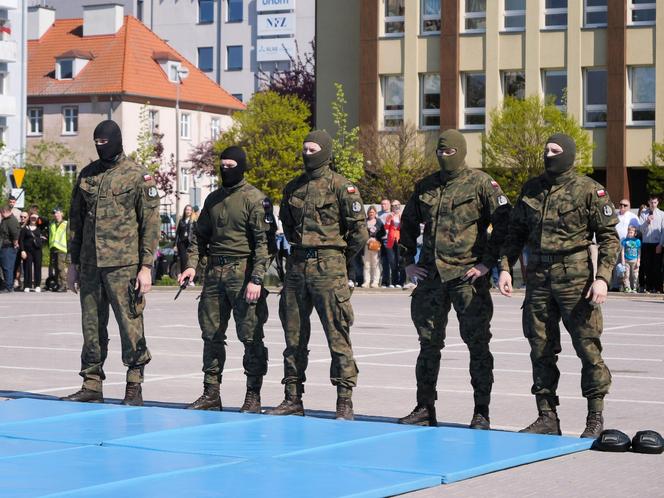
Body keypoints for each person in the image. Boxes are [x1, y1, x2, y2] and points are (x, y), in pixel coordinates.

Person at [497, 133, 618, 439]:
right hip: (538, 278)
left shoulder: (589, 190)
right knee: (540, 348)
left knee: (587, 347)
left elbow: (608, 238)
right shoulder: (532, 189)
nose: (548, 154)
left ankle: (595, 416)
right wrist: (505, 268)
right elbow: (515, 233)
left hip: (575, 279)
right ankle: (547, 416)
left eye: (555, 150)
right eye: (546, 149)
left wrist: (602, 277)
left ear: (568, 154)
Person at [397, 129, 511, 430]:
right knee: (428, 344)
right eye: (440, 152)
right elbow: (407, 223)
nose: (444, 157)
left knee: (477, 345)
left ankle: (481, 411)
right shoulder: (426, 186)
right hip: (432, 277)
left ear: (460, 151)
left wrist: (490, 264)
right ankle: (424, 408)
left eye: (449, 152)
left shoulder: (481, 184)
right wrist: (407, 262)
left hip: (466, 277)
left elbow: (504, 224)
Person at [268, 130, 368, 420]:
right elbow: (287, 225)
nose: (307, 154)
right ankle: (292, 397)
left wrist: (338, 259)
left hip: (329, 268)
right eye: (305, 148)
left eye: (313, 149)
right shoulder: (293, 188)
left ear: (324, 152)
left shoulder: (342, 187)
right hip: (298, 267)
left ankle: (344, 399)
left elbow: (359, 233)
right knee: (293, 337)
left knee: (337, 335)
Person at [61, 119, 160, 406]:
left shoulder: (137, 177)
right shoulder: (87, 175)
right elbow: (75, 223)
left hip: (124, 266)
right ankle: (91, 382)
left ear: (116, 140)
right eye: (97, 143)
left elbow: (150, 225)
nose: (100, 147)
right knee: (91, 326)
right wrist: (73, 263)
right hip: (91, 265)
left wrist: (146, 267)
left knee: (130, 325)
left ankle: (134, 383)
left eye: (105, 142)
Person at [178, 146, 276, 413]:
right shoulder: (213, 199)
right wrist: (191, 266)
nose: (226, 170)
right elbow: (198, 238)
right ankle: (211, 392)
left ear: (242, 166)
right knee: (211, 335)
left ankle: (253, 395)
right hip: (214, 276)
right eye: (223, 165)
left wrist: (256, 278)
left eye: (231, 165)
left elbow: (264, 245)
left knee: (250, 336)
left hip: (242, 274)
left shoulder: (255, 199)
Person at [637, 195, 663, 293]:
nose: (653, 205)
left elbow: (663, 231)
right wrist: (647, 221)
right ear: (648, 202)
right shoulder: (644, 214)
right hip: (646, 243)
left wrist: (660, 244)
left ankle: (658, 287)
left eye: (655, 202)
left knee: (657, 267)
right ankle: (649, 287)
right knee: (647, 266)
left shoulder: (662, 214)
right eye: (651, 202)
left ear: (657, 203)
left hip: (657, 244)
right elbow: (641, 230)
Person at [19, 213, 46, 292]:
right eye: (32, 218)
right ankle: (27, 285)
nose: (33, 220)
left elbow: (46, 221)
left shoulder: (40, 227)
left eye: (35, 218)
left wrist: (38, 216)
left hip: (37, 250)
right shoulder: (25, 228)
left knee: (37, 267)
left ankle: (37, 285)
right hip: (27, 251)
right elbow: (21, 240)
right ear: (29, 219)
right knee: (27, 267)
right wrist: (22, 250)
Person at [362, 206, 385, 288]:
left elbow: (383, 233)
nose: (371, 214)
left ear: (375, 213)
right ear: (368, 213)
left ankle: (375, 282)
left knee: (375, 264)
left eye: (373, 212)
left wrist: (376, 238)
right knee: (366, 264)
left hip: (375, 245)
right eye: (370, 212)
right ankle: (366, 281)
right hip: (366, 245)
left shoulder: (379, 222)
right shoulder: (364, 221)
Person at [0, 205, 20, 292]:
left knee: (7, 267)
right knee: (6, 267)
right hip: (4, 247)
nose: (0, 214)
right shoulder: (5, 220)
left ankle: (8, 286)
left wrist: (15, 243)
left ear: (4, 211)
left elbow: (15, 234)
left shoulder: (11, 220)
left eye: (1, 212)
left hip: (9, 247)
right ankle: (8, 285)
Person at [48, 207, 68, 292]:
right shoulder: (52, 224)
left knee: (60, 267)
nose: (55, 215)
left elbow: (70, 236)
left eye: (57, 213)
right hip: (53, 248)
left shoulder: (66, 224)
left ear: (62, 214)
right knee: (55, 268)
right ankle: (58, 284)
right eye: (54, 213)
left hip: (62, 249)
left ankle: (63, 285)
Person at [384, 200, 403, 288]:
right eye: (393, 205)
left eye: (397, 205)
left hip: (400, 240)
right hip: (391, 240)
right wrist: (388, 220)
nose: (395, 207)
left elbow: (405, 226)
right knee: (392, 262)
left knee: (400, 261)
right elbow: (386, 227)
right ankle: (394, 282)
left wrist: (400, 216)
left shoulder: (402, 215)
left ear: (399, 206)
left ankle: (401, 281)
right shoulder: (389, 216)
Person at [175, 204, 195, 274]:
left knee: (189, 260)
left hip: (189, 243)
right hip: (182, 243)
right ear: (184, 211)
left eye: (189, 210)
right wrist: (175, 245)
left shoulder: (193, 221)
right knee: (183, 260)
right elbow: (177, 234)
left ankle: (190, 279)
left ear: (192, 211)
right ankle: (183, 277)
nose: (188, 211)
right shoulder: (181, 221)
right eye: (187, 209)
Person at [621, 225, 640, 293]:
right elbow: (622, 251)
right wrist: (622, 260)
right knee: (626, 275)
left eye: (631, 232)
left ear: (635, 233)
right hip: (626, 260)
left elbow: (639, 252)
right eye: (629, 232)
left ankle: (635, 287)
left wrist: (638, 261)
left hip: (634, 260)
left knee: (635, 275)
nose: (630, 233)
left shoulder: (637, 241)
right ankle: (627, 287)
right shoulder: (625, 241)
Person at [377, 199, 391, 286]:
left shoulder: (392, 214)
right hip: (380, 240)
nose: (383, 206)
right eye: (382, 204)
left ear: (389, 205)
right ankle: (384, 281)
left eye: (385, 204)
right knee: (383, 261)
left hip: (389, 240)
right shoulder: (377, 215)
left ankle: (394, 281)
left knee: (392, 261)